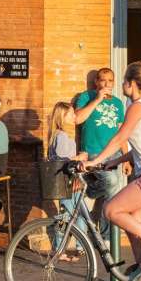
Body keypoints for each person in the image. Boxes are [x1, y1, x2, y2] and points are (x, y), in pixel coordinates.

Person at [80, 62, 141, 269]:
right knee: (133, 224)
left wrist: (93, 161)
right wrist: (113, 162)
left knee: (111, 210)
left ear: (132, 83)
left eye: (124, 80)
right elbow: (139, 148)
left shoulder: (137, 106)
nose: (122, 84)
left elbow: (119, 139)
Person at [74, 68, 128, 240]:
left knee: (112, 192)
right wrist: (97, 100)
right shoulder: (86, 97)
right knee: (112, 183)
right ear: (97, 82)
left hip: (113, 154)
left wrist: (126, 158)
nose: (107, 84)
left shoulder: (119, 103)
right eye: (103, 80)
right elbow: (77, 119)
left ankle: (105, 236)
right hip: (93, 152)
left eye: (110, 81)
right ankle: (89, 191)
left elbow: (121, 133)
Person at [46, 102, 89, 260]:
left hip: (67, 181)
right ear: (62, 117)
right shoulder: (61, 136)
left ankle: (66, 248)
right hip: (67, 182)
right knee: (73, 215)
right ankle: (75, 247)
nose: (74, 116)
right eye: (71, 114)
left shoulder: (57, 135)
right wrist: (80, 157)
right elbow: (63, 161)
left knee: (71, 214)